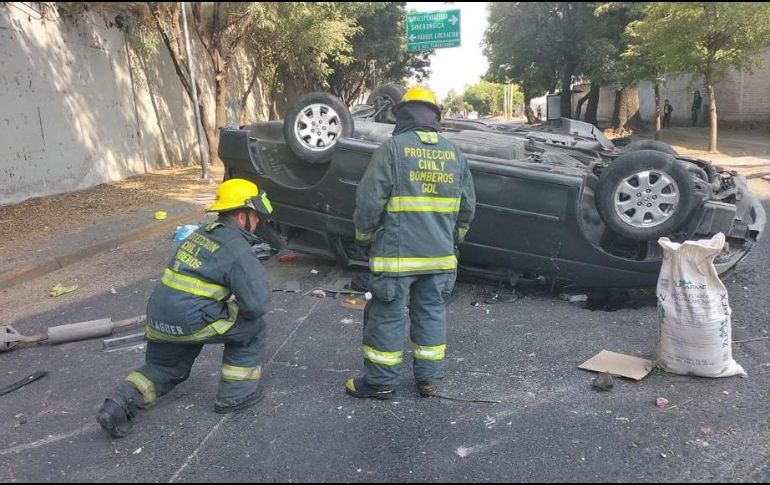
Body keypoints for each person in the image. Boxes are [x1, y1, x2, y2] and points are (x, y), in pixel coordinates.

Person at [96, 179, 274, 438]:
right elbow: (257, 305)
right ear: (240, 215)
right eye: (255, 216)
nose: (257, 222)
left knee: (166, 367)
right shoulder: (238, 248)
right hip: (192, 319)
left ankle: (116, 404)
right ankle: (237, 395)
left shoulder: (201, 234)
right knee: (252, 327)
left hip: (158, 317)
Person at [346, 86, 476, 400]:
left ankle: (380, 382)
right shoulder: (454, 154)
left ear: (403, 113)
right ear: (435, 116)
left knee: (387, 315)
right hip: (440, 259)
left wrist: (363, 237)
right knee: (431, 313)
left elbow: (368, 201)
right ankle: (428, 380)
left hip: (397, 259)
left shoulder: (393, 149)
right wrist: (453, 242)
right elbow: (467, 208)